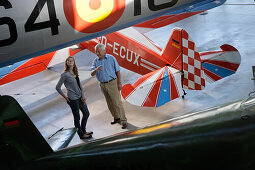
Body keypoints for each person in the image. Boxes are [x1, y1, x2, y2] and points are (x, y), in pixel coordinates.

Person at [90, 43, 128, 129]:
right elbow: (92, 74)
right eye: (96, 52)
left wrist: (119, 83)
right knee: (109, 103)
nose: (97, 53)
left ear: (104, 50)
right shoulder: (95, 61)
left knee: (117, 102)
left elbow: (118, 72)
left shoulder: (111, 58)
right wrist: (96, 70)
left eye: (99, 52)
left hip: (112, 83)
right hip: (102, 85)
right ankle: (116, 117)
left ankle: (124, 120)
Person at [56, 56, 93, 139]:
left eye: (72, 60)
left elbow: (80, 85)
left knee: (86, 113)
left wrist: (83, 95)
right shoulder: (64, 75)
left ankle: (83, 130)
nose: (70, 62)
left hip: (80, 97)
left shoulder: (75, 72)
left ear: (74, 62)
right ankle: (81, 134)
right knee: (77, 117)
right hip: (72, 99)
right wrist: (65, 97)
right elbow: (57, 87)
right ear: (66, 63)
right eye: (68, 61)